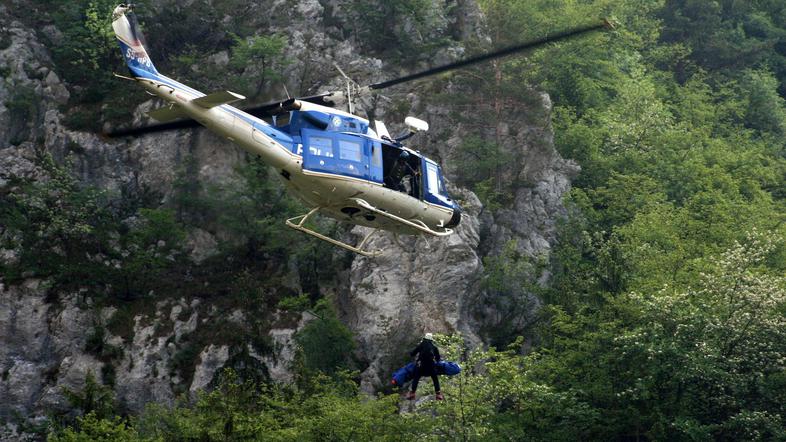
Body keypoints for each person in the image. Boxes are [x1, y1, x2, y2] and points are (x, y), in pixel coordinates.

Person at [407, 333, 444, 400]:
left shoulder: (421, 345)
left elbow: (413, 353)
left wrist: (410, 353)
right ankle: (438, 394)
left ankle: (412, 393)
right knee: (435, 379)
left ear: (425, 339)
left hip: (421, 367)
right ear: (431, 340)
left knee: (416, 377)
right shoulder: (434, 347)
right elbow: (438, 358)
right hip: (431, 367)